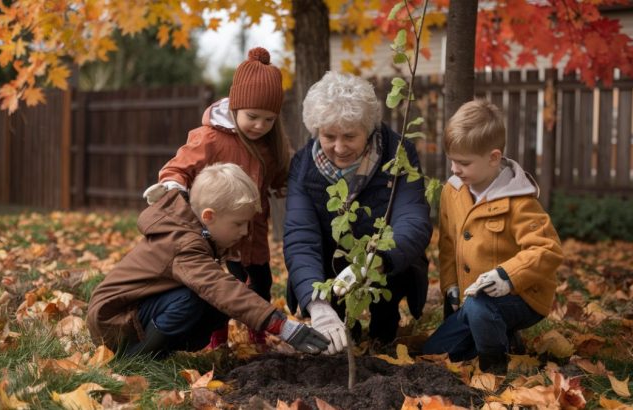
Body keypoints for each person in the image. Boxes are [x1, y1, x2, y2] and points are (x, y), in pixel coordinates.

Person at [87, 163, 328, 358]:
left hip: (133, 312)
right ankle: (137, 359)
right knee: (199, 296)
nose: (244, 231)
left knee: (218, 302)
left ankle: (159, 351)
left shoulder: (195, 230)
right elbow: (217, 287)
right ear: (209, 217)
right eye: (238, 223)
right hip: (113, 321)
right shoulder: (184, 243)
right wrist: (280, 325)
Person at [142, 47, 290, 345]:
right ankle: (217, 338)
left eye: (269, 120)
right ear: (235, 107)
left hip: (254, 231)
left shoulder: (269, 145)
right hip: (217, 231)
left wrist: (290, 184)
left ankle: (256, 337)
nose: (260, 126)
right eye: (253, 117)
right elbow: (179, 166)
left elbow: (278, 176)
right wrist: (173, 185)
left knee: (261, 282)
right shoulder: (210, 137)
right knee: (224, 286)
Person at [283, 71, 432, 355]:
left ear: (369, 128)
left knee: (394, 264)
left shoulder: (398, 155)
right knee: (338, 337)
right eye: (329, 136)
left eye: (350, 136)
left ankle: (384, 326)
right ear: (316, 130)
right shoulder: (303, 167)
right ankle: (340, 323)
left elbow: (413, 220)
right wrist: (318, 305)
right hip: (331, 266)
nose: (339, 148)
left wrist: (376, 261)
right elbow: (301, 237)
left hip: (384, 264)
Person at [422, 100, 563, 374]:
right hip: (474, 298)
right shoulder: (453, 192)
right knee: (434, 353)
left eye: (463, 163)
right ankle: (503, 336)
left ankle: (495, 366)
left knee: (479, 307)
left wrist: (506, 276)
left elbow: (548, 249)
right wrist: (450, 283)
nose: (454, 169)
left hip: (522, 295)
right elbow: (449, 243)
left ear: (493, 158)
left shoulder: (518, 199)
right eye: (451, 160)